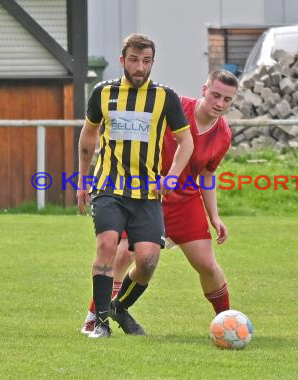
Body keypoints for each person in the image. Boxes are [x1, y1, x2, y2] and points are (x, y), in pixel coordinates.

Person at [81, 69, 239, 334]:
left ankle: (229, 323)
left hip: (185, 201)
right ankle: (93, 319)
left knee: (207, 265)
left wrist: (214, 216)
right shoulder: (175, 107)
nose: (220, 104)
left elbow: (208, 175)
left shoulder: (223, 133)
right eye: (216, 95)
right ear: (204, 89)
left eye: (227, 100)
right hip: (146, 196)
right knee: (124, 254)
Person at [77, 33, 194, 339]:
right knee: (106, 244)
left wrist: (171, 175)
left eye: (146, 61)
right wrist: (81, 181)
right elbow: (88, 137)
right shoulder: (103, 92)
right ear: (122, 61)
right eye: (133, 60)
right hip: (108, 186)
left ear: (152, 62)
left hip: (148, 193)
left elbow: (186, 141)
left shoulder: (165, 97)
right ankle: (99, 322)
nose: (140, 67)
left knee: (148, 259)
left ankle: (118, 307)